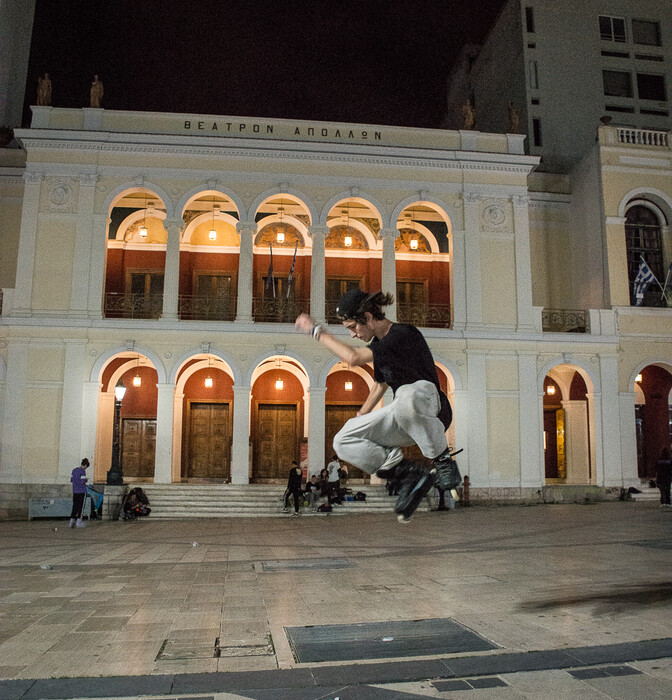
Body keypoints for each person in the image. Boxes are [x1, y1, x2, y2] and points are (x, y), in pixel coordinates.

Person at [295, 288, 459, 523]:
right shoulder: (380, 346)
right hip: (404, 417)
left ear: (369, 318)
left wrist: (316, 331)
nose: (352, 334)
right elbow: (380, 384)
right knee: (343, 440)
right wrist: (362, 414)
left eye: (353, 327)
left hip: (432, 408)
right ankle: (406, 473)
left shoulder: (403, 333)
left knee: (406, 394)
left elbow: (353, 358)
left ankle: (443, 461)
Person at [69, 458, 89, 528]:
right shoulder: (82, 471)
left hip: (75, 491)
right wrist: (86, 480)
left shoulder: (74, 470)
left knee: (74, 506)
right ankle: (78, 522)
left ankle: (71, 521)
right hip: (81, 491)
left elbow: (71, 480)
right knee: (80, 507)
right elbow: (82, 481)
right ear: (85, 465)